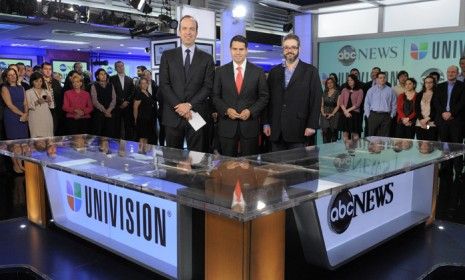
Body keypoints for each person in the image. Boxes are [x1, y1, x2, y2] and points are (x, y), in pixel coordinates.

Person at [159, 15, 215, 152]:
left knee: (197, 159)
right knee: (171, 160)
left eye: (192, 29)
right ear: (179, 32)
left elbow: (207, 86)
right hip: (173, 115)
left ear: (197, 32)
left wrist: (189, 105)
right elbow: (164, 85)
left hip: (196, 115)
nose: (188, 32)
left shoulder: (207, 58)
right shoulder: (167, 56)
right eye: (184, 28)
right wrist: (180, 107)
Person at [213, 35, 269, 156]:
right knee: (226, 166)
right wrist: (226, 110)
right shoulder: (220, 72)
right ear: (230, 50)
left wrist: (250, 111)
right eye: (235, 49)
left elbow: (264, 97)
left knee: (249, 165)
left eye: (241, 49)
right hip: (227, 127)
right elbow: (215, 97)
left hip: (249, 127)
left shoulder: (258, 72)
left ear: (246, 50)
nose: (238, 52)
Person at [263, 34, 321, 151]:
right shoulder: (274, 72)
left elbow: (316, 99)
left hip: (299, 129)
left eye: (293, 47)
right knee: (277, 168)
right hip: (276, 130)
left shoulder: (310, 71)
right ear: (283, 50)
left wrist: (312, 125)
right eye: (286, 47)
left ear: (299, 49)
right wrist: (266, 123)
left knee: (297, 168)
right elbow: (267, 100)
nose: (290, 50)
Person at [1, 68, 28, 173]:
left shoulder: (21, 88)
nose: (12, 77)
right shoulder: (4, 88)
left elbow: (25, 103)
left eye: (14, 74)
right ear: (6, 77)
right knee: (15, 144)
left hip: (23, 116)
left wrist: (26, 114)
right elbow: (9, 105)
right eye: (10, 75)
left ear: (17, 76)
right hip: (12, 117)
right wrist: (23, 114)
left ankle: (20, 164)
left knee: (22, 143)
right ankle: (15, 165)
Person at [364, 72, 397, 137]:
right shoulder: (371, 90)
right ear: (377, 79)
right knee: (372, 137)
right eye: (380, 78)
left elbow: (394, 104)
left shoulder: (390, 90)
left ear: (386, 79)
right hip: (373, 115)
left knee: (384, 138)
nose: (382, 79)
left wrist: (392, 115)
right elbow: (367, 103)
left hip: (386, 116)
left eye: (384, 77)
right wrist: (368, 115)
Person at [110, 61, 135, 140]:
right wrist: (121, 102)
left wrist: (127, 102)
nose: (121, 68)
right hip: (117, 106)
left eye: (122, 66)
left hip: (128, 107)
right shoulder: (111, 79)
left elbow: (132, 92)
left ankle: (129, 143)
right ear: (115, 68)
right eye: (118, 66)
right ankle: (116, 144)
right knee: (116, 126)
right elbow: (111, 92)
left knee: (128, 126)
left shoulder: (130, 79)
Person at [25, 72, 54, 137]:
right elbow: (28, 106)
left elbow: (51, 106)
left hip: (46, 116)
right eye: (36, 81)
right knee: (36, 138)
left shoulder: (47, 91)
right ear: (32, 81)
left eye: (40, 81)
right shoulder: (28, 92)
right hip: (34, 116)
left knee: (48, 137)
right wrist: (37, 102)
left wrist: (49, 101)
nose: (39, 83)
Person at [91, 68, 116, 138]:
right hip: (99, 114)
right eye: (101, 74)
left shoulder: (111, 85)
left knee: (110, 134)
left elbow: (114, 99)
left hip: (110, 113)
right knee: (99, 135)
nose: (104, 75)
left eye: (105, 74)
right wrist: (105, 111)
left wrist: (109, 110)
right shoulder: (94, 86)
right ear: (97, 76)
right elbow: (95, 101)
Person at [339, 74, 363, 142]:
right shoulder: (344, 90)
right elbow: (341, 102)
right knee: (345, 133)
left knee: (354, 133)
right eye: (348, 80)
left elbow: (358, 104)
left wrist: (347, 111)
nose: (349, 81)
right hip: (345, 113)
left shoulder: (360, 90)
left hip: (354, 113)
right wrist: (345, 111)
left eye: (351, 80)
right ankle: (346, 150)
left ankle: (355, 150)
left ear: (355, 81)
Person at [133, 77, 157, 146]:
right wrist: (135, 119)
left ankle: (145, 153)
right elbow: (135, 108)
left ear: (147, 84)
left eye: (145, 83)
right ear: (140, 85)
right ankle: (141, 153)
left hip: (149, 119)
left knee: (147, 137)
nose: (144, 85)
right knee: (142, 137)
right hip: (142, 119)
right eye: (142, 83)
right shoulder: (139, 94)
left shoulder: (148, 93)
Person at [42, 62, 63, 135]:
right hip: (43, 109)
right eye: (46, 69)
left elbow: (60, 96)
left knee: (54, 130)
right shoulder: (39, 82)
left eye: (50, 69)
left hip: (55, 110)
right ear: (42, 70)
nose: (48, 71)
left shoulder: (56, 82)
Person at [415, 76, 437, 141]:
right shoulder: (419, 94)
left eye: (430, 82)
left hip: (431, 124)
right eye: (426, 82)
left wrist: (426, 119)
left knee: (431, 143)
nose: (428, 84)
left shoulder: (437, 94)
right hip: (420, 124)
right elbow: (417, 109)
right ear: (424, 84)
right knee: (421, 144)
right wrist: (422, 120)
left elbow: (436, 109)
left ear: (434, 83)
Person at [320, 77, 340, 143]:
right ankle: (326, 152)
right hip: (324, 115)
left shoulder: (337, 92)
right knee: (325, 135)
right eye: (328, 83)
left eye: (331, 82)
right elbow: (322, 105)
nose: (330, 84)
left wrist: (332, 114)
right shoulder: (324, 93)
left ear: (334, 83)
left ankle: (333, 152)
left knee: (333, 135)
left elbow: (338, 105)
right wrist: (323, 113)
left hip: (334, 115)